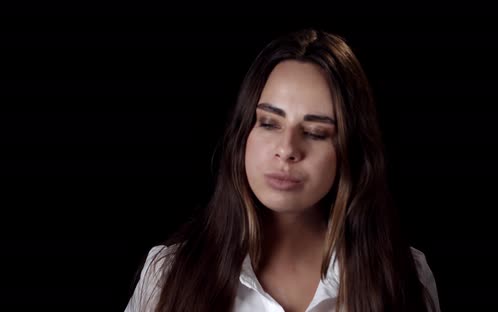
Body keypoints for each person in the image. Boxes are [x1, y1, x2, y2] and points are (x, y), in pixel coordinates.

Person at [124, 28, 441, 312]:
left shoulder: (404, 274)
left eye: (316, 132)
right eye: (269, 123)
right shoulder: (168, 273)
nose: (287, 149)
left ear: (350, 151)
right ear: (243, 133)